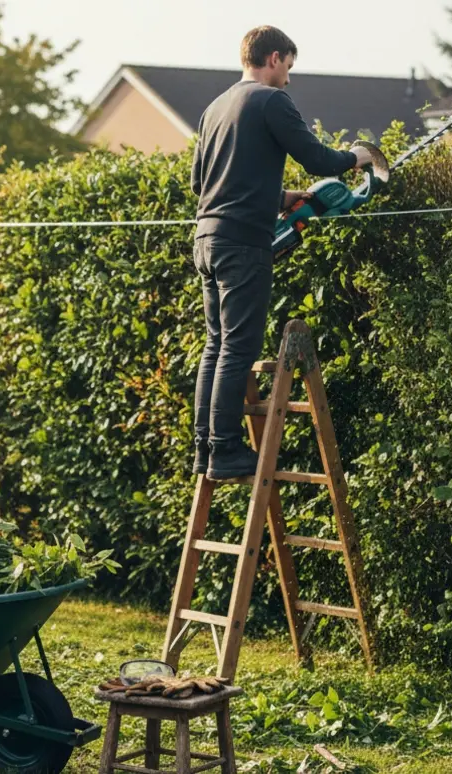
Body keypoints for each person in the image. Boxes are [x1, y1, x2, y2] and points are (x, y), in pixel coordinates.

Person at [189, 25, 374, 480]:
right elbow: (320, 161)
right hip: (241, 244)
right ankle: (228, 450)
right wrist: (359, 157)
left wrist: (283, 195)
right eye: (288, 67)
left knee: (215, 345)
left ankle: (205, 450)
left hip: (207, 240)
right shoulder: (271, 101)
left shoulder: (215, 107)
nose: (288, 79)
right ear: (273, 58)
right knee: (238, 346)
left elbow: (203, 184)